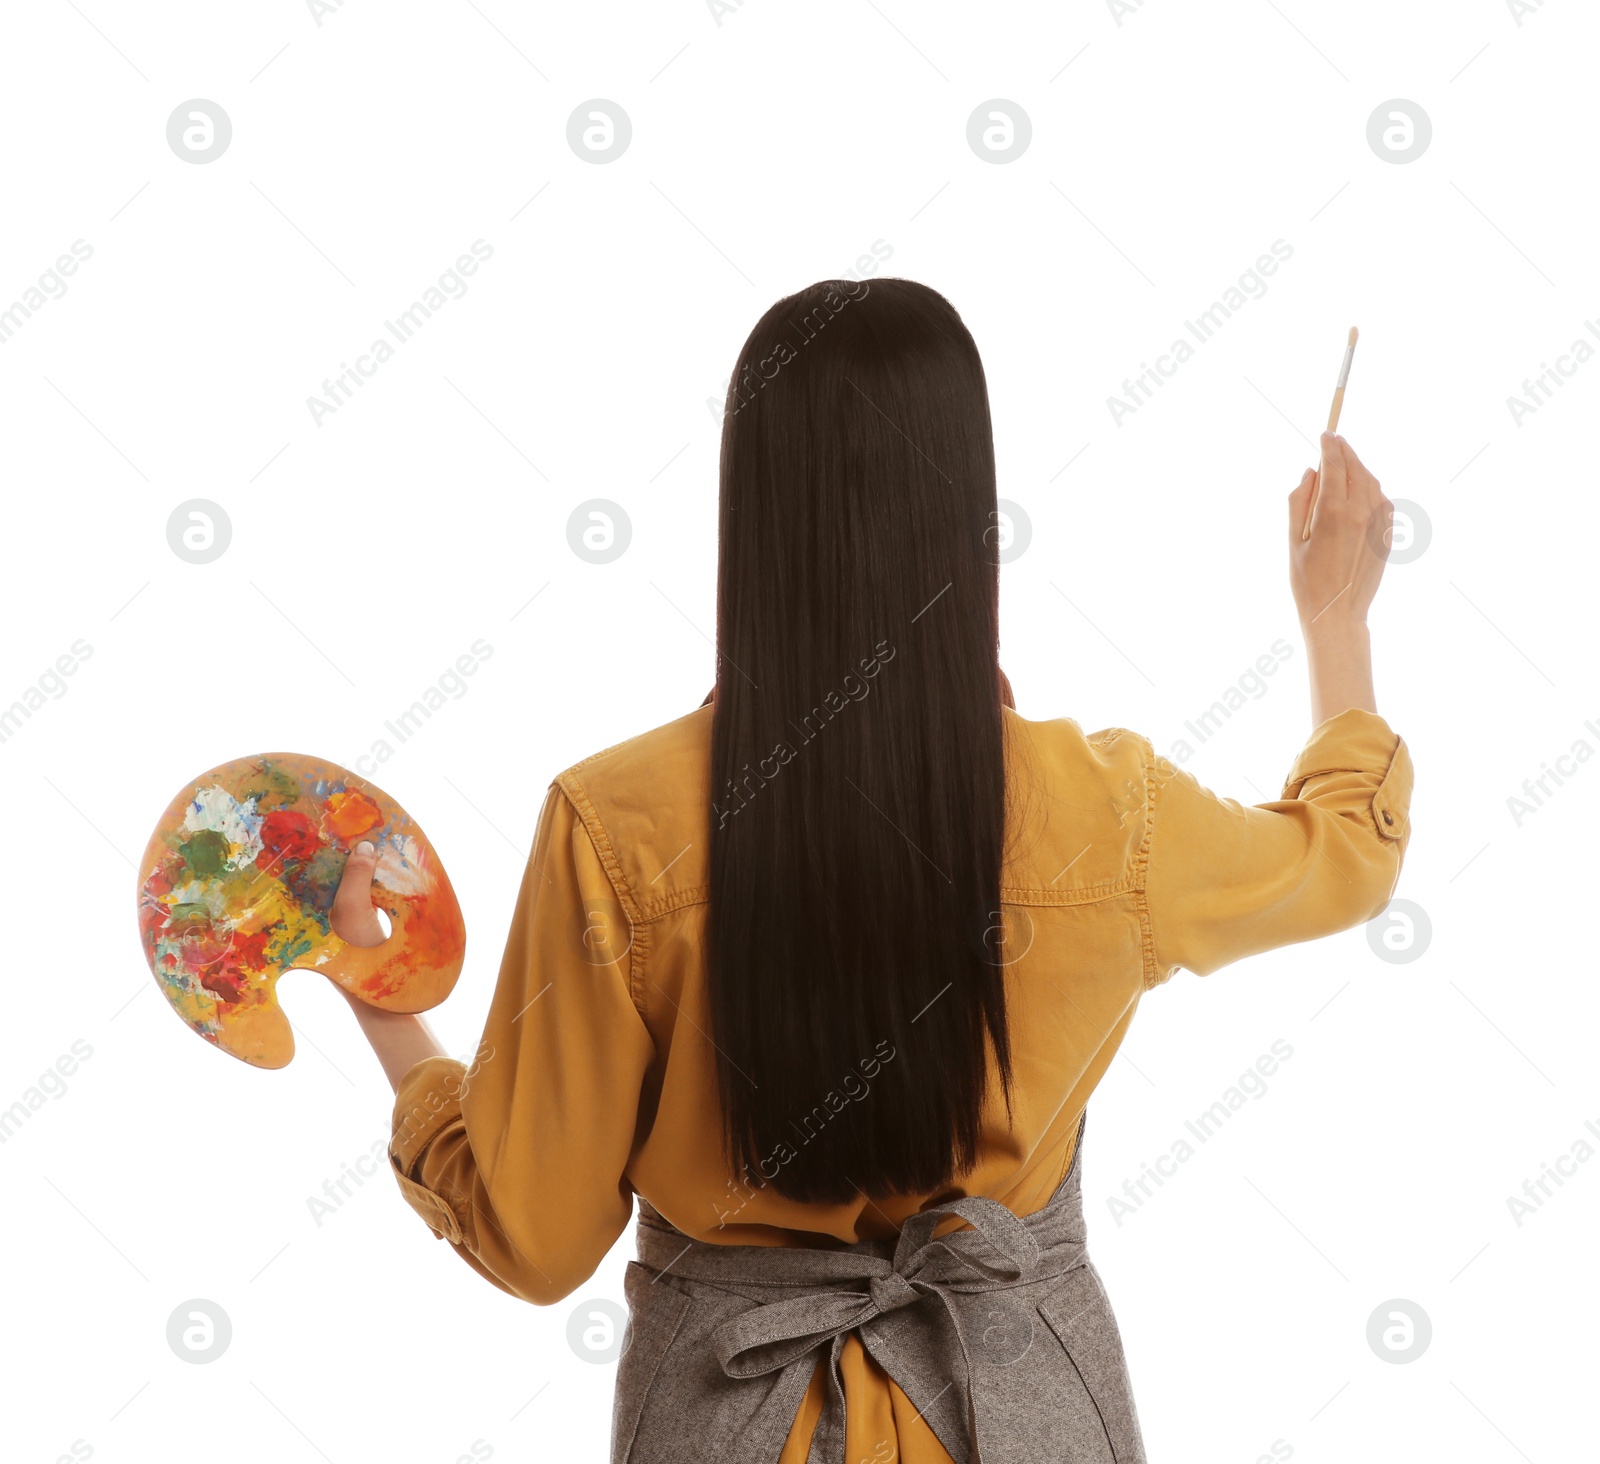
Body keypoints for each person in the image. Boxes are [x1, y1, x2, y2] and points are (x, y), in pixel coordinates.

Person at [330, 278, 1413, 1463]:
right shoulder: (1109, 813)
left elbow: (532, 1238)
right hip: (1021, 1419)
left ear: (748, 510)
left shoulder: (613, 825)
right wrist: (1335, 615)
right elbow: (1344, 858)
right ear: (969, 509)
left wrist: (387, 1003)